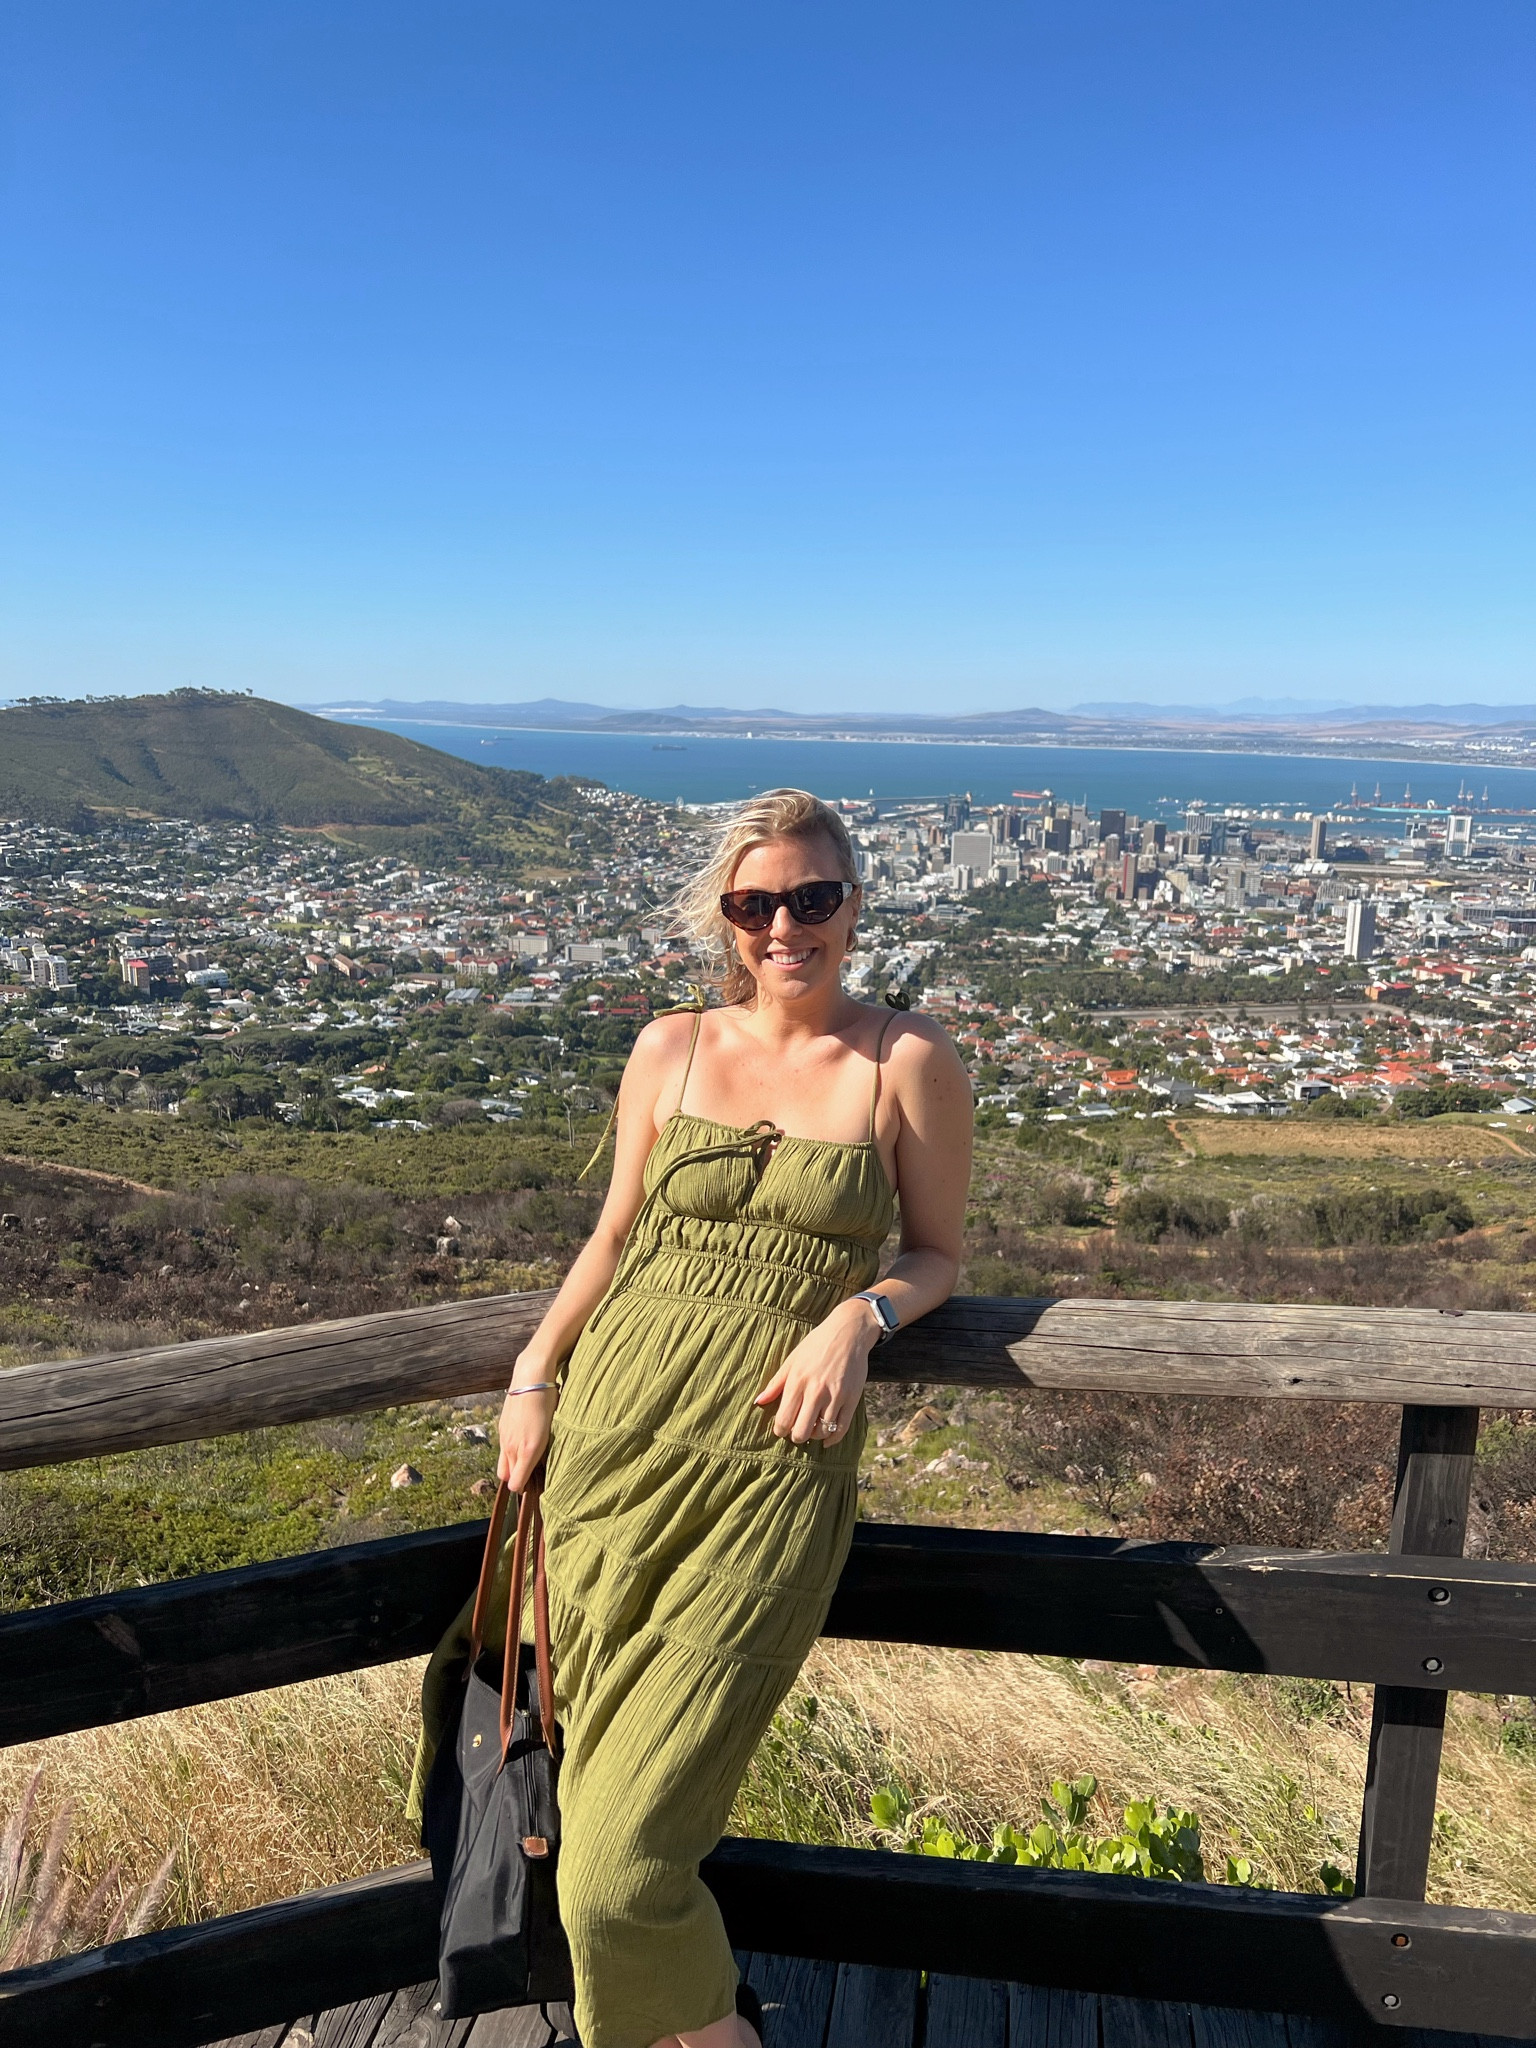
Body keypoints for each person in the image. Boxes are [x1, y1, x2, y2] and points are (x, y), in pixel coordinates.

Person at [412, 788, 972, 2048]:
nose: (786, 925)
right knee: (582, 1809)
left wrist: (858, 1319)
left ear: (853, 907)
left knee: (620, 1862)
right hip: (610, 1456)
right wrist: (534, 1372)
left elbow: (937, 1254)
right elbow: (613, 1234)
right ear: (727, 917)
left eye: (812, 897)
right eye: (756, 902)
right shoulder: (670, 1046)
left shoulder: (907, 1060)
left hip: (766, 1481)